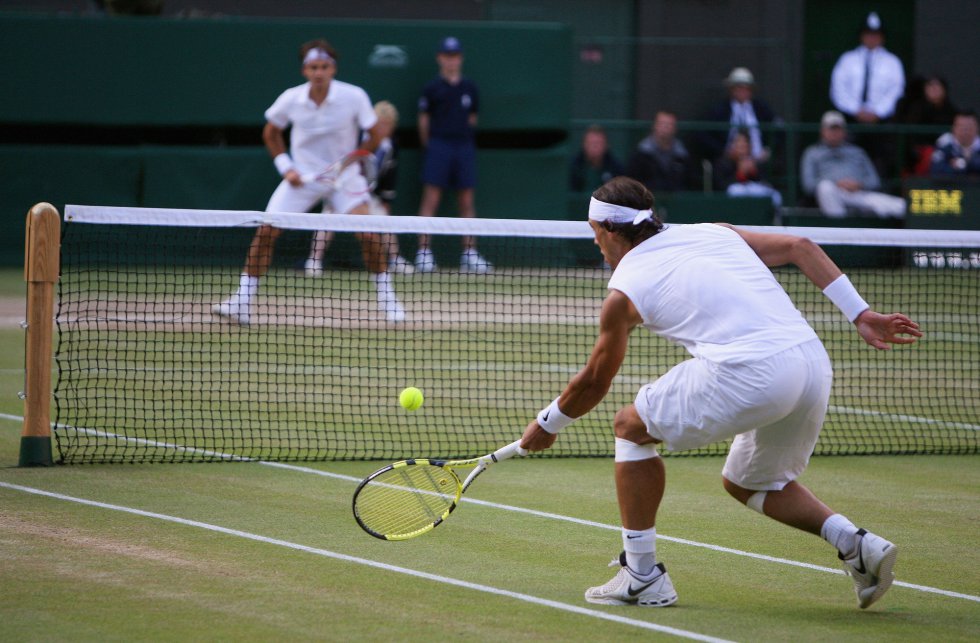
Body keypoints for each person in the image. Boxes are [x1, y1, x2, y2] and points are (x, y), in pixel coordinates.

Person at [519, 176, 921, 609]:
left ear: (610, 230)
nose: (595, 242)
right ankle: (856, 544)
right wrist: (859, 313)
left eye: (594, 232)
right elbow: (800, 246)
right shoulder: (715, 231)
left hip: (752, 371)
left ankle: (642, 575)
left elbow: (596, 380)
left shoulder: (624, 291)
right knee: (750, 482)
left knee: (630, 427)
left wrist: (549, 422)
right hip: (810, 363)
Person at [212, 39, 405, 325]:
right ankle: (242, 302)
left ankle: (389, 301)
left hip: (344, 179)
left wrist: (352, 161)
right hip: (302, 179)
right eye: (313, 67)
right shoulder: (291, 98)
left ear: (333, 69)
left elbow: (374, 134)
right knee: (265, 233)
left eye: (324, 67)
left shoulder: (354, 97)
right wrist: (286, 167)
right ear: (305, 70)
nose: (319, 72)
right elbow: (271, 133)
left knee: (368, 234)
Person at [305, 100, 415, 276]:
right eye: (381, 124)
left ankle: (395, 259)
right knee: (328, 218)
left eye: (388, 125)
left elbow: (389, 176)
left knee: (384, 219)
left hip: (368, 195)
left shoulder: (390, 146)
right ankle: (313, 261)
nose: (384, 128)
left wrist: (385, 199)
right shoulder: (357, 139)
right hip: (342, 189)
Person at [414, 36, 492, 274]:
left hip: (464, 147)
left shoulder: (470, 88)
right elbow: (423, 121)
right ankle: (424, 253)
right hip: (439, 146)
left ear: (460, 58)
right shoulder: (432, 89)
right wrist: (433, 146)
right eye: (447, 56)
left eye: (455, 56)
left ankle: (469, 254)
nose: (451, 60)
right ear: (440, 58)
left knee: (467, 201)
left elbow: (472, 119)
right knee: (431, 200)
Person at [830, 11, 906, 175]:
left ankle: (881, 190)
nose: (872, 38)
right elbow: (838, 89)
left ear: (882, 37)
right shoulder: (847, 59)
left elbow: (896, 90)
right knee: (848, 155)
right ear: (862, 36)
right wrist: (856, 110)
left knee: (882, 159)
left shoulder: (893, 62)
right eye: (868, 34)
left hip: (881, 122)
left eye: (876, 35)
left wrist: (877, 112)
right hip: (851, 120)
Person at [800, 111, 905, 218]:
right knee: (825, 187)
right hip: (832, 194)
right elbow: (809, 185)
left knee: (903, 206)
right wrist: (837, 183)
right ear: (822, 131)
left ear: (844, 132)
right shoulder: (812, 153)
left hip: (859, 194)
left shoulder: (857, 152)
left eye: (838, 129)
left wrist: (859, 184)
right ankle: (840, 228)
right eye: (831, 129)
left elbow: (874, 181)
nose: (835, 133)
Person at [699, 67, 780, 164]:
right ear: (731, 89)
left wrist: (767, 151)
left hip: (758, 162)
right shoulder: (720, 110)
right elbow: (703, 134)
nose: (742, 91)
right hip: (729, 162)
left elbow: (778, 128)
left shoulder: (761, 108)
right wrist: (725, 152)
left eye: (746, 88)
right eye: (738, 87)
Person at [896, 74, 959, 174]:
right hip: (920, 154)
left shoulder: (951, 111)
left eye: (937, 86)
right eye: (930, 86)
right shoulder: (915, 109)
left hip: (946, 152)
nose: (934, 90)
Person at [625, 111, 694, 194]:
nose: (665, 128)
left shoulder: (683, 156)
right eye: (662, 124)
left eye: (669, 124)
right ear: (654, 126)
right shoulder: (641, 155)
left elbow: (690, 182)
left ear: (675, 128)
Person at [713, 129, 782, 206]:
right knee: (735, 190)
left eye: (744, 144)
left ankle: (775, 218)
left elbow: (763, 181)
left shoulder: (754, 162)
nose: (741, 147)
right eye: (738, 144)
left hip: (752, 190)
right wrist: (740, 174)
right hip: (734, 195)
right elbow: (722, 186)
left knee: (775, 195)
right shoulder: (724, 162)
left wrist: (753, 171)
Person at [570, 124, 625, 192]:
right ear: (584, 145)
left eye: (598, 143)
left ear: (606, 145)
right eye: (591, 143)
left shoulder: (616, 168)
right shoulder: (572, 167)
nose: (594, 147)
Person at [929, 110, 980, 177]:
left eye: (969, 127)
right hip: (950, 186)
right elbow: (936, 170)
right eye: (961, 126)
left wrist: (964, 163)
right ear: (954, 128)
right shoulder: (945, 142)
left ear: (977, 128)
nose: (965, 131)